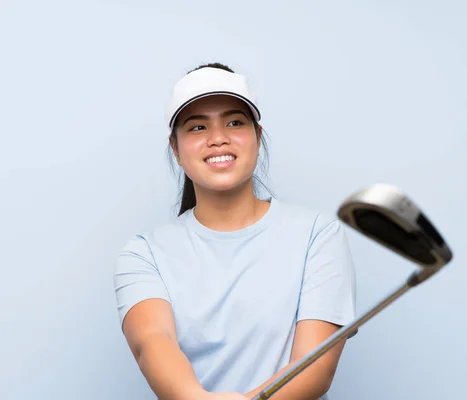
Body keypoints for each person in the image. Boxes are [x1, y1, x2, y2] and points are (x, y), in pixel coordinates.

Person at [113, 62, 357, 400]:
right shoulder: (144, 252)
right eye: (197, 127)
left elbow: (315, 368)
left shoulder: (319, 234)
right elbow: (153, 342)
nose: (218, 139)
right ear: (176, 148)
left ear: (257, 136)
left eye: (234, 122)